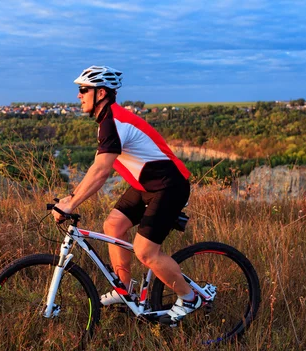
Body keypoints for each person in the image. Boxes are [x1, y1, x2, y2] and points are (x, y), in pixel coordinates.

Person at [52, 65, 200, 325]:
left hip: (169, 186)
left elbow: (100, 171)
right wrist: (69, 198)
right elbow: (97, 168)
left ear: (100, 93)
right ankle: (126, 289)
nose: (78, 95)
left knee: (146, 252)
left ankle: (189, 299)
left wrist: (71, 203)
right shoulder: (107, 121)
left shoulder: (114, 121)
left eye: (82, 90)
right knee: (113, 224)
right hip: (147, 187)